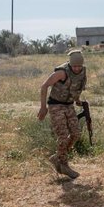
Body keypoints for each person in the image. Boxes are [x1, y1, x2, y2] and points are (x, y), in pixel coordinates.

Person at [38, 49, 86, 179]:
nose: (76, 68)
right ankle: (64, 165)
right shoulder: (62, 72)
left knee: (75, 134)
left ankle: (58, 157)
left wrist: (77, 100)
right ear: (70, 64)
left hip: (69, 105)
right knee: (63, 136)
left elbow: (76, 88)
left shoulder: (82, 73)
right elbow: (44, 86)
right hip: (56, 105)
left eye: (79, 66)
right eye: (74, 66)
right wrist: (43, 107)